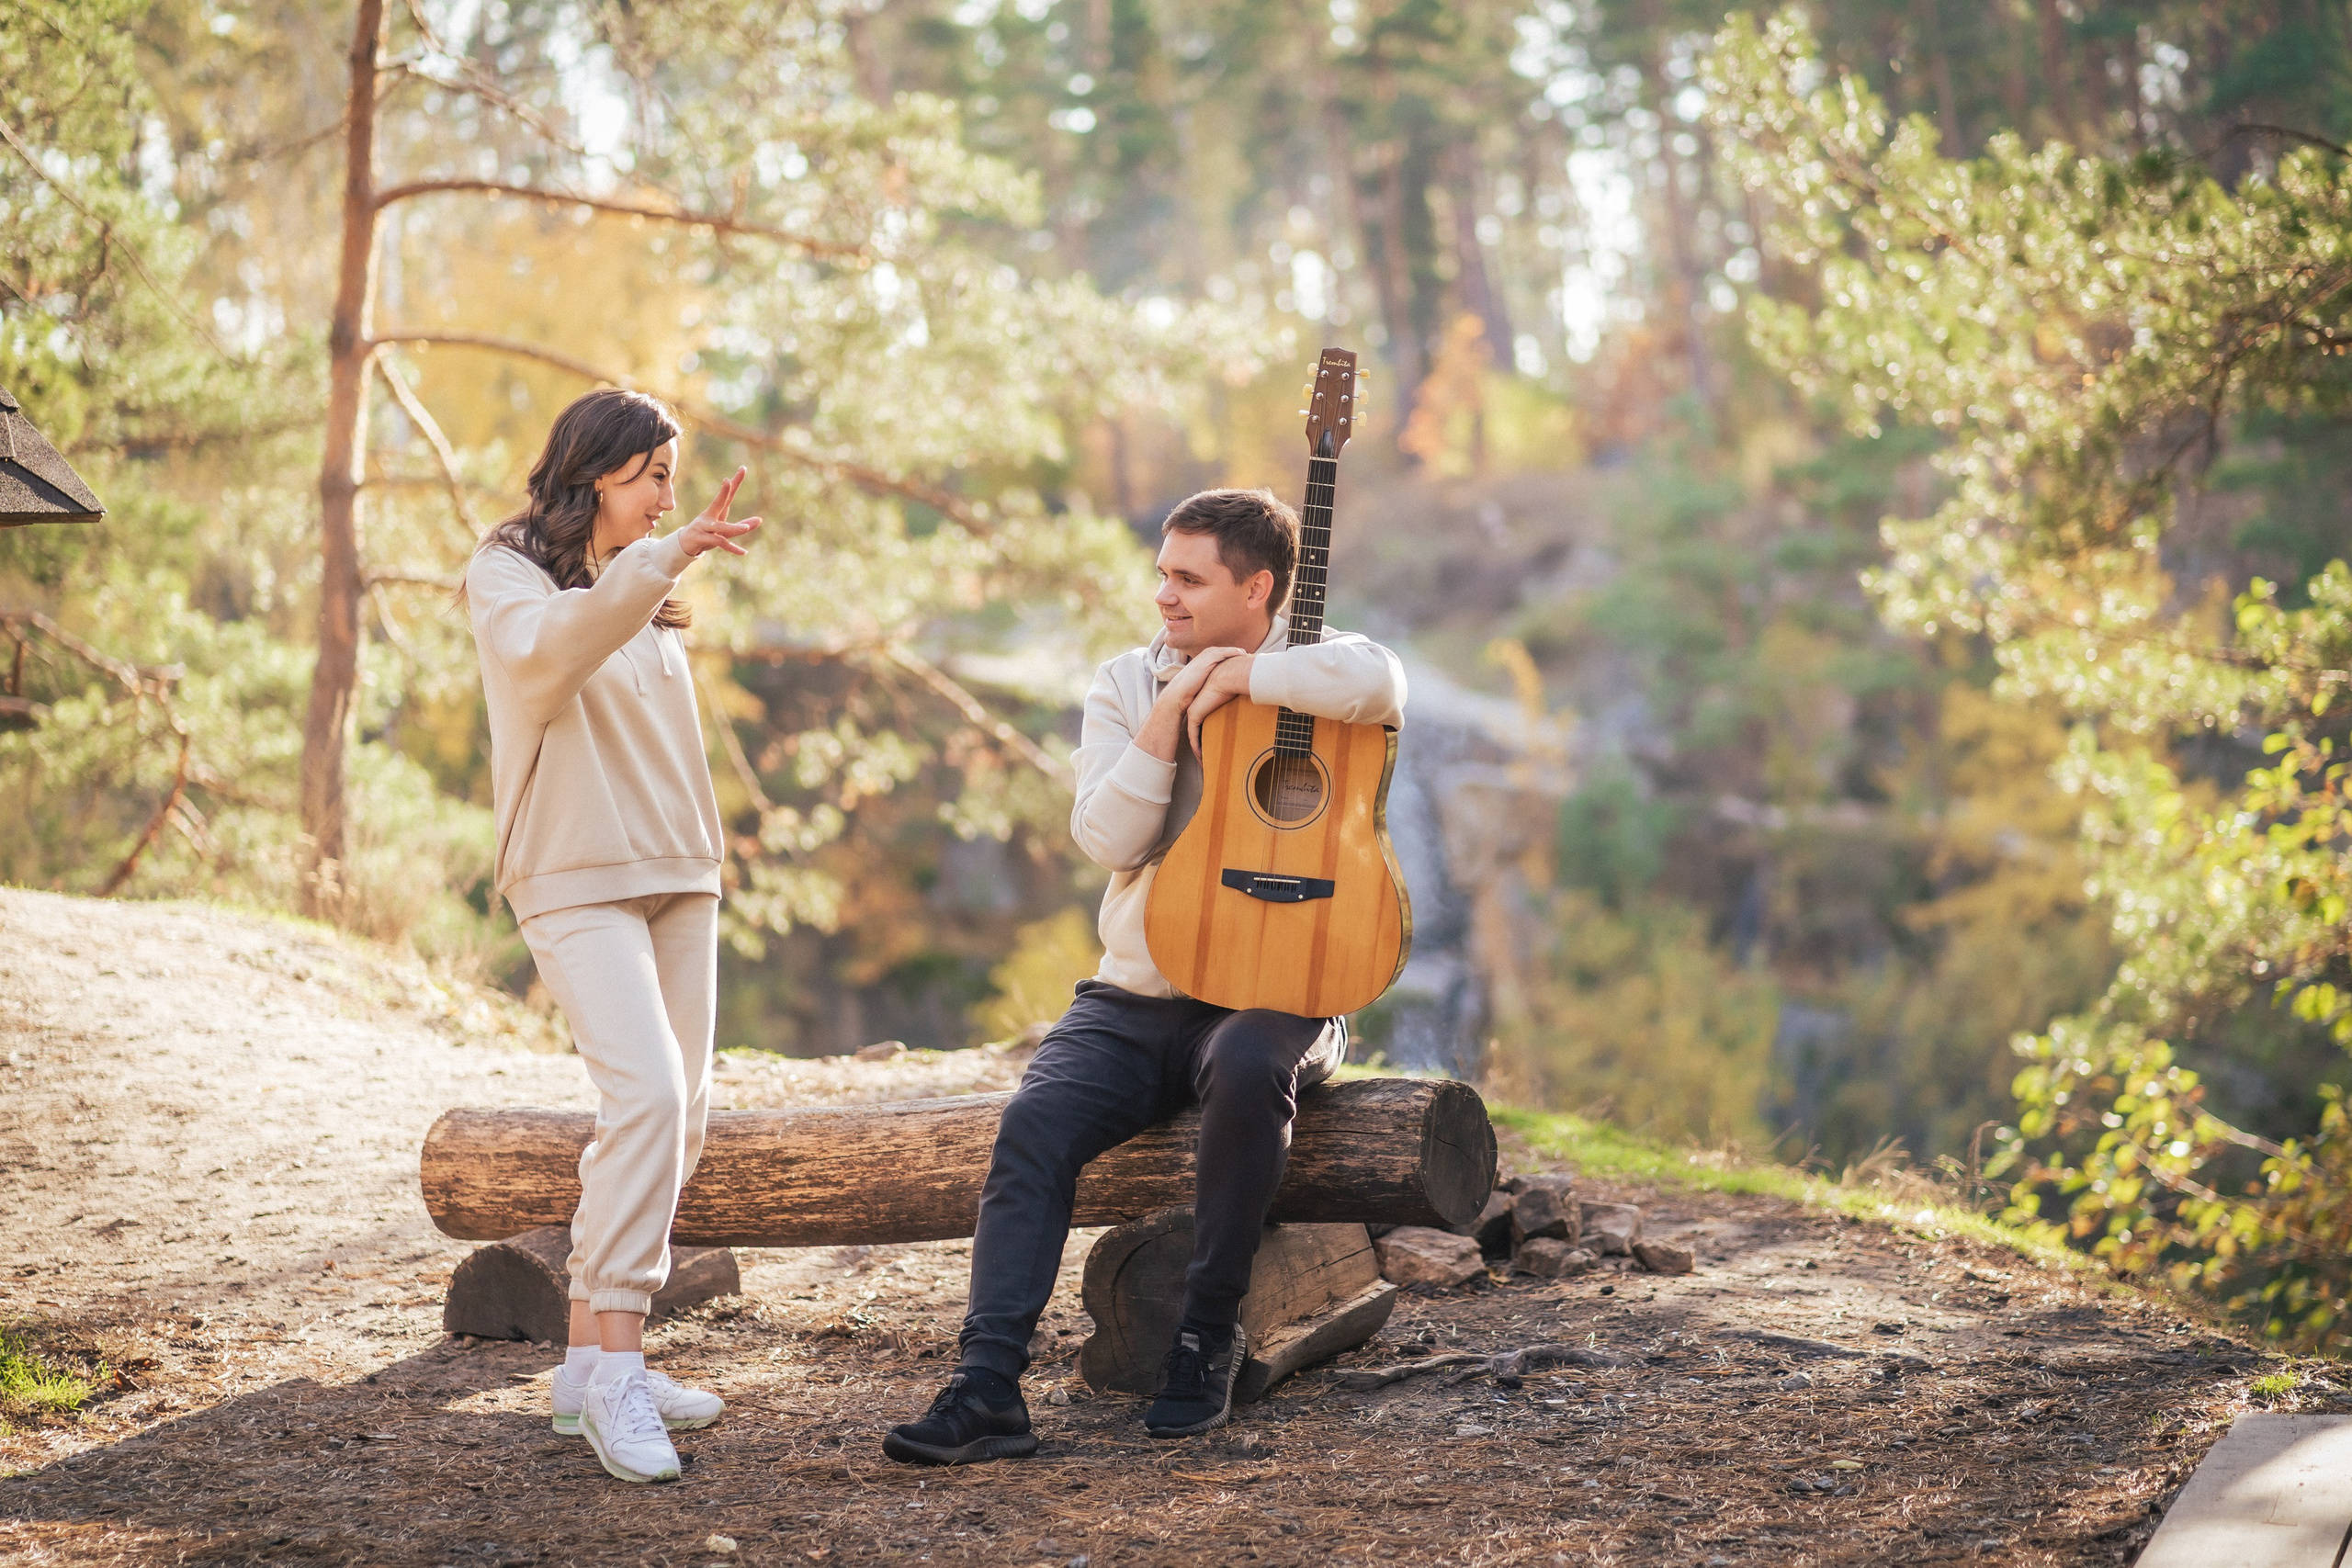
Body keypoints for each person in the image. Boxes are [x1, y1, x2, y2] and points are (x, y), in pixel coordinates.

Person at [882, 487, 1407, 1464]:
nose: (1162, 593)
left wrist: (1250, 679)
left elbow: (1381, 684)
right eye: (1161, 571)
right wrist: (1172, 708)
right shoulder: (1126, 681)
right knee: (1032, 1126)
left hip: (1277, 990)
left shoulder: (1328, 668)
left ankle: (1206, 1338)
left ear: (1258, 589)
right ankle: (987, 1384)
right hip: (1137, 992)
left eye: (1188, 578)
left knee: (1251, 1064)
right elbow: (1105, 837)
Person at [465, 388, 762, 1483]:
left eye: (670, 479)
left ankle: (591, 1367)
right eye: (652, 478)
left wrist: (705, 863)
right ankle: (620, 1372)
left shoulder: (649, 594)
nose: (668, 498)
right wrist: (665, 557)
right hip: (573, 876)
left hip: (677, 875)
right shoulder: (510, 576)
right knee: (640, 1094)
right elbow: (552, 655)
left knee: (677, 1117)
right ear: (598, 473)